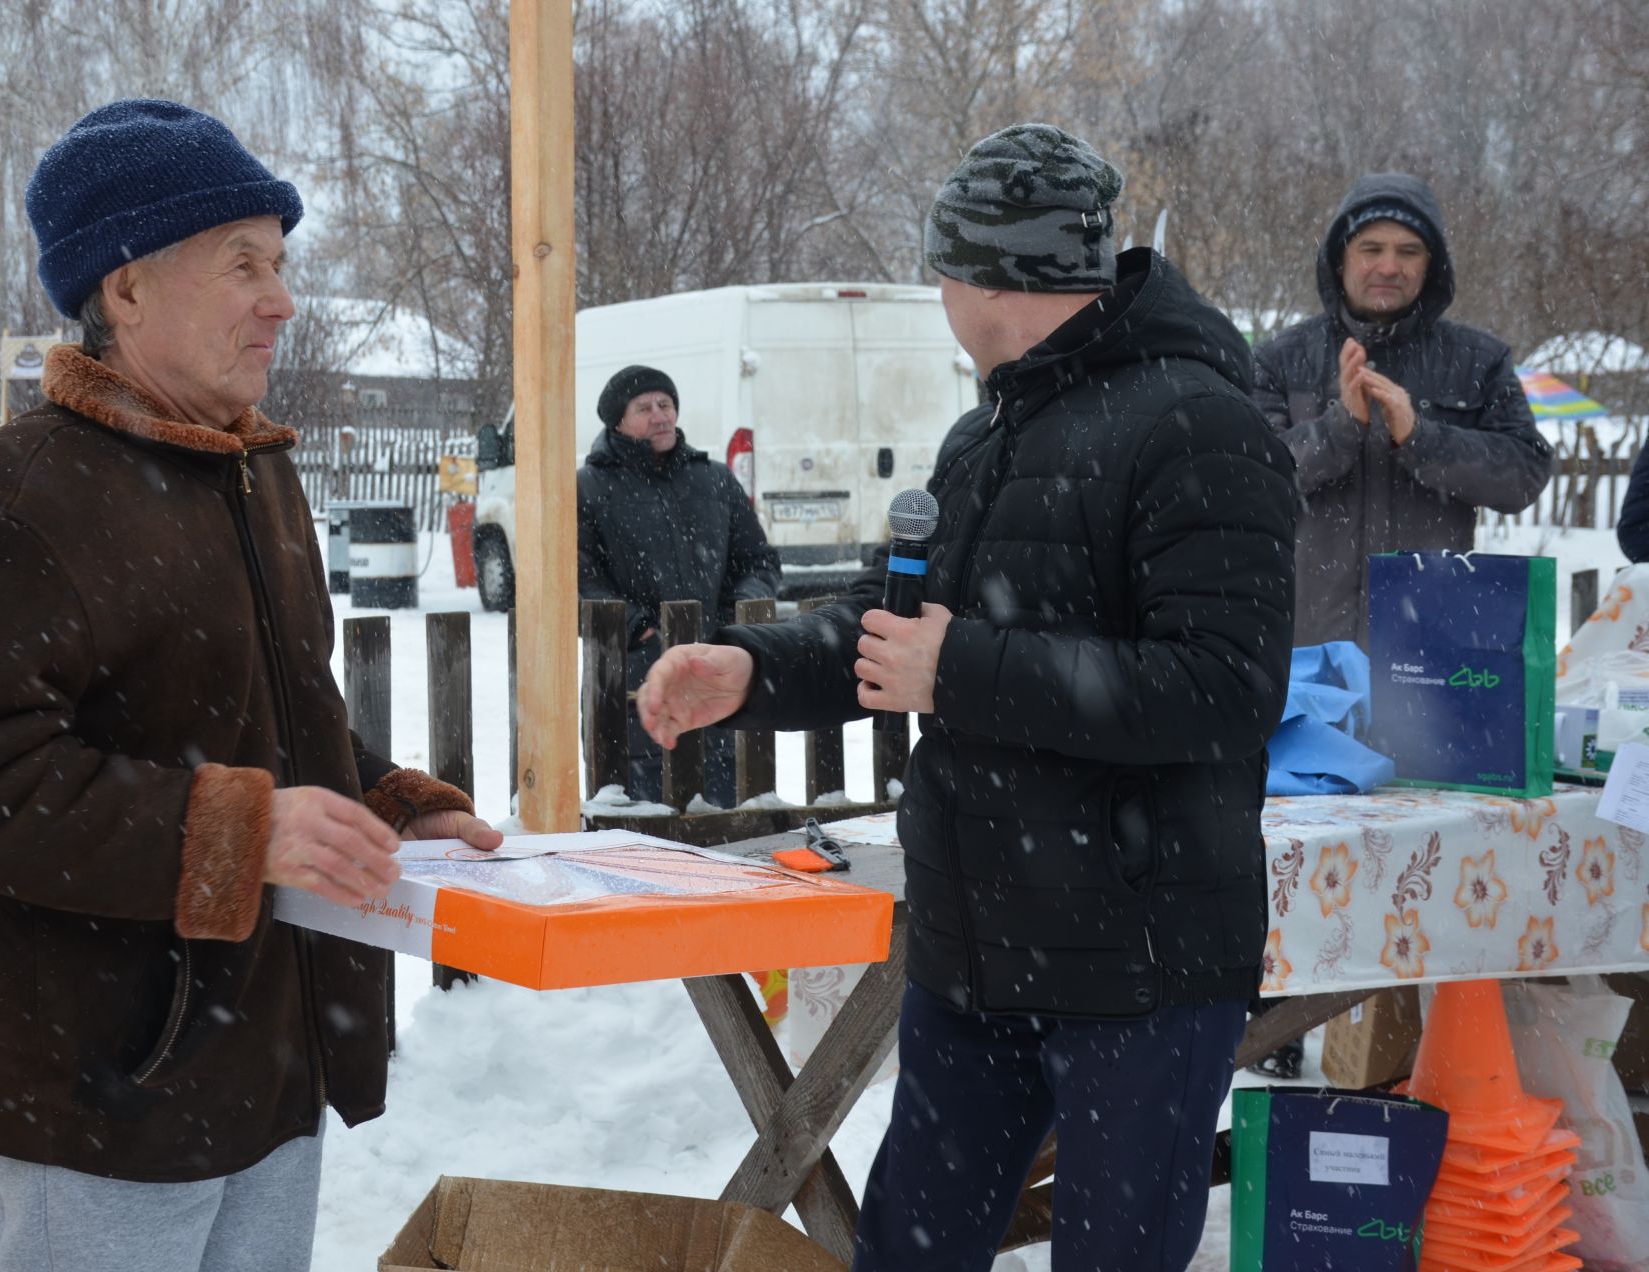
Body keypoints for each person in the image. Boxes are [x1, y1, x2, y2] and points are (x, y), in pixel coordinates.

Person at [638, 124, 1297, 1270]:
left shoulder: (1202, 424)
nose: (934, 286)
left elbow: (1224, 690)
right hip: (977, 949)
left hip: (1139, 967)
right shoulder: (988, 428)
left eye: (942, 261)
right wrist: (751, 668)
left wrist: (968, 671)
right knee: (908, 1252)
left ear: (989, 274)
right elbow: (891, 626)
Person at [0, 99, 499, 1272]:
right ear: (126, 291)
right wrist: (236, 827)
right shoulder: (19, 496)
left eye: (281, 261)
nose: (282, 298)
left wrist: (386, 803)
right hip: (108, 1077)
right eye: (244, 264)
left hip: (263, 1052)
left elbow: (278, 711)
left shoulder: (254, 474)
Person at [1253, 173, 1551, 648]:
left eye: (1409, 251)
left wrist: (1419, 437)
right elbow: (1249, 482)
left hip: (1430, 643)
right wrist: (1338, 430)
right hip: (1305, 649)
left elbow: (1524, 475)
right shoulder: (1279, 360)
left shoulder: (1479, 359)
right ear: (1340, 259)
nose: (1389, 266)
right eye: (1371, 249)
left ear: (1432, 265)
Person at [577, 365, 779, 806]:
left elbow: (757, 561)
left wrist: (739, 614)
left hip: (717, 670)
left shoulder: (714, 479)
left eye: (665, 404)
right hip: (634, 681)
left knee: (730, 820)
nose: (660, 416)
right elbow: (578, 578)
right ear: (617, 421)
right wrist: (638, 628)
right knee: (644, 831)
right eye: (644, 408)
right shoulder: (589, 487)